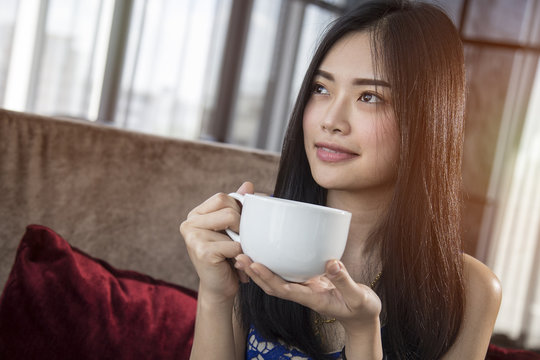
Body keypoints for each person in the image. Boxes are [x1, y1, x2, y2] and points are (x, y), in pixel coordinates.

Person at [180, 0, 502, 359]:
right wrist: (216, 297)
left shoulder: (469, 290)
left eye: (369, 97)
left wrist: (363, 332)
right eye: (321, 88)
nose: (331, 119)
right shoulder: (257, 240)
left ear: (426, 121)